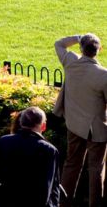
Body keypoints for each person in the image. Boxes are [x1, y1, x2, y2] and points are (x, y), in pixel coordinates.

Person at [54, 31, 107, 206]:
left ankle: (63, 202)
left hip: (74, 123)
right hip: (97, 129)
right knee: (96, 169)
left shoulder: (71, 62)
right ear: (98, 50)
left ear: (81, 48)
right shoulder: (103, 75)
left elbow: (59, 43)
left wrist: (78, 37)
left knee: (71, 164)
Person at [0, 106, 62, 207]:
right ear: (43, 126)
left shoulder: (4, 142)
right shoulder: (49, 150)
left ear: (21, 123)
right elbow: (49, 187)